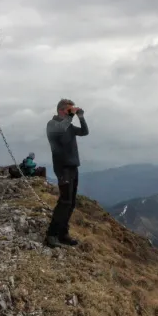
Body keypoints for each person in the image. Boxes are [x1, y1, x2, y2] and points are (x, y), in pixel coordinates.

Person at [44, 98, 89, 248]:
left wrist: (81, 117)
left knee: (71, 202)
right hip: (62, 168)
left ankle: (63, 233)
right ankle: (52, 235)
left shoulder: (68, 126)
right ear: (61, 110)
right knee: (64, 202)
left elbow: (84, 132)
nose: (72, 113)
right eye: (69, 110)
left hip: (73, 167)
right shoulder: (53, 125)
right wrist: (71, 116)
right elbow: (62, 128)